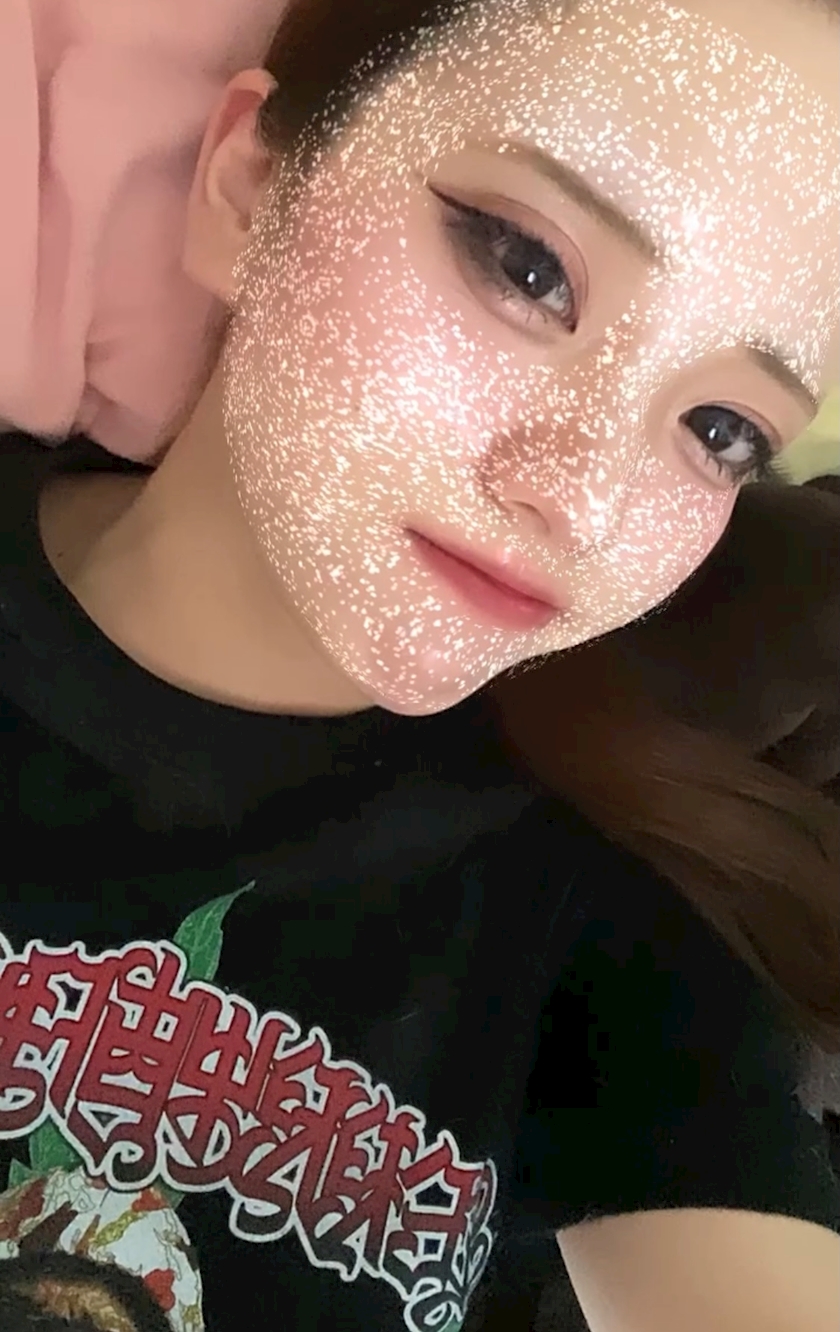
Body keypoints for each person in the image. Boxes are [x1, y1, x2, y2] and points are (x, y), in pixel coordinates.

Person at [1, 1, 838, 1329]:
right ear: (246, 187)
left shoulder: (604, 921)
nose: (581, 501)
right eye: (528, 265)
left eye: (721, 427)